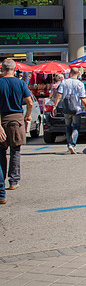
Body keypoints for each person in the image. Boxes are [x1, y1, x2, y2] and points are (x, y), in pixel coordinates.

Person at [0, 58, 33, 191]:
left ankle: (1, 182)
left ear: (2, 69)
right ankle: (14, 181)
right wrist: (27, 115)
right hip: (17, 119)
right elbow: (29, 102)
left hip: (2, 120)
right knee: (15, 151)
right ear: (14, 69)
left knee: (1, 152)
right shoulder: (21, 83)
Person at [52, 67, 86, 154]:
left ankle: (69, 145)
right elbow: (82, 98)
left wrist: (55, 106)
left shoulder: (64, 82)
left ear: (70, 73)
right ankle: (72, 144)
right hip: (77, 109)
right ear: (78, 73)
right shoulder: (80, 84)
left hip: (66, 108)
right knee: (76, 127)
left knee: (68, 126)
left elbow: (59, 95)